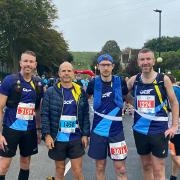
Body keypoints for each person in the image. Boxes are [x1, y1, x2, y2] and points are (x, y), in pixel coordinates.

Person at [127, 48, 179, 180]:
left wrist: (174, 126)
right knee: (146, 166)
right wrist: (134, 104)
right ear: (138, 62)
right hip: (139, 130)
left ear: (153, 61)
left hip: (159, 130)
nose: (145, 62)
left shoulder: (163, 80)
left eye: (148, 59)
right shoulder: (134, 80)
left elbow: (174, 103)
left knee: (158, 168)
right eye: (142, 59)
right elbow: (123, 94)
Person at [41, 61, 90, 180]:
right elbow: (45, 114)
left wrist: (85, 134)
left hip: (76, 137)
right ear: (59, 73)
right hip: (58, 138)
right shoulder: (51, 92)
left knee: (77, 171)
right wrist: (47, 135)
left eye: (69, 71)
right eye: (63, 71)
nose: (66, 73)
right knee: (59, 169)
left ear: (73, 73)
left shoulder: (80, 91)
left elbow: (85, 114)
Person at [0, 50, 43, 180]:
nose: (28, 64)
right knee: (4, 165)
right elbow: (0, 107)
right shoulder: (10, 80)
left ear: (35, 64)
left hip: (29, 131)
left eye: (31, 62)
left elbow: (37, 109)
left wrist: (39, 130)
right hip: (10, 129)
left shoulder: (38, 83)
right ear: (20, 63)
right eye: (25, 61)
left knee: (25, 164)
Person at [86, 54, 128, 180]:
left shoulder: (120, 82)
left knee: (121, 169)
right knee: (100, 167)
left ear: (113, 66)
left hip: (117, 133)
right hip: (98, 132)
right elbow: (83, 103)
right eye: (103, 65)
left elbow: (128, 98)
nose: (105, 68)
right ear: (98, 66)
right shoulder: (93, 83)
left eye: (108, 65)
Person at [167, 75, 180, 180]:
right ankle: (173, 176)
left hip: (174, 126)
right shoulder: (178, 89)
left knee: (174, 154)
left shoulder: (172, 91)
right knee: (176, 153)